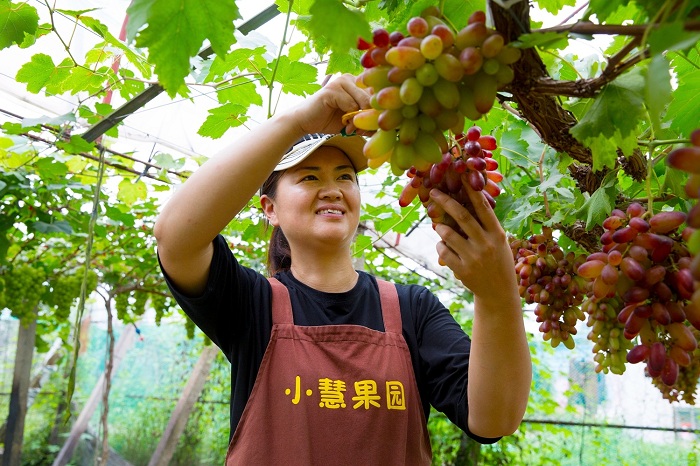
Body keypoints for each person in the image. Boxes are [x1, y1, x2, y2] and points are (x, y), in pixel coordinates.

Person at [153, 73, 531, 465]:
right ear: (270, 208)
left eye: (345, 177)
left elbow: (494, 418)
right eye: (310, 177)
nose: (332, 188)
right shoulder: (253, 305)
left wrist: (497, 293)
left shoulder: (413, 309)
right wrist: (297, 122)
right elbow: (175, 237)